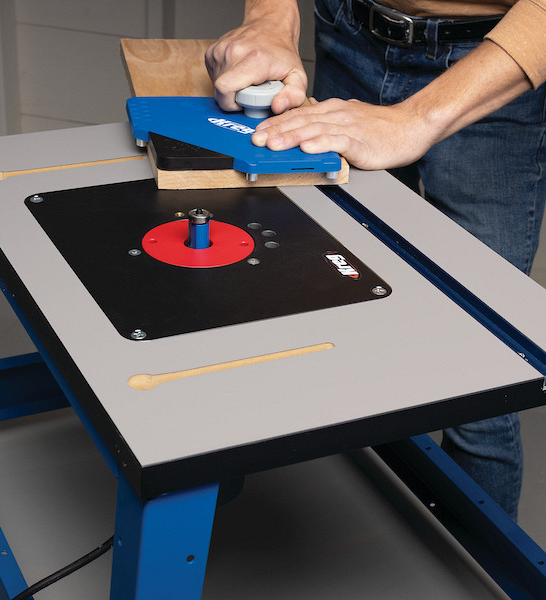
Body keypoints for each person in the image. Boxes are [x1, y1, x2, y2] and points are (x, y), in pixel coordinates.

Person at [205, 0, 546, 520]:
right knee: (344, 325)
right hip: (351, 34)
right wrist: (270, 17)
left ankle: (473, 564)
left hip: (494, 60)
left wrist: (417, 119)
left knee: (484, 379)